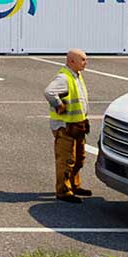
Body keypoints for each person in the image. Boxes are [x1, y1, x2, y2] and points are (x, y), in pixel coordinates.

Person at [44, 48, 92, 203]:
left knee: (79, 158)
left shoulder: (77, 76)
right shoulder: (64, 78)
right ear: (72, 61)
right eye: (83, 59)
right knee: (66, 160)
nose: (86, 62)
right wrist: (58, 105)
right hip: (65, 127)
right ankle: (64, 191)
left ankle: (74, 185)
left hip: (78, 125)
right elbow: (49, 92)